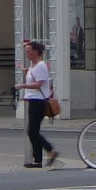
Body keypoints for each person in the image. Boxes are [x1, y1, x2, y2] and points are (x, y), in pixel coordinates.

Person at [17, 40, 60, 168]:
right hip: (33, 100)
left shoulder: (41, 66)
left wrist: (22, 85)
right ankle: (38, 160)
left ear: (36, 52)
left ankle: (50, 151)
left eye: (29, 51)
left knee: (32, 131)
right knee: (32, 131)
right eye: (26, 51)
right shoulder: (33, 66)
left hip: (39, 101)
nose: (27, 54)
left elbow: (39, 84)